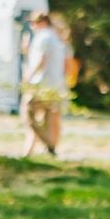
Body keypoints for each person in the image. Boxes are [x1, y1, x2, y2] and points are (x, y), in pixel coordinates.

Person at [22, 9, 72, 156]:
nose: (32, 26)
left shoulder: (42, 37)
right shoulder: (57, 39)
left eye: (33, 23)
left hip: (41, 85)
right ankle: (35, 151)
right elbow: (65, 66)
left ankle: (48, 147)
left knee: (28, 115)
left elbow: (41, 61)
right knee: (50, 120)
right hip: (56, 86)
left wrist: (28, 78)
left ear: (41, 22)